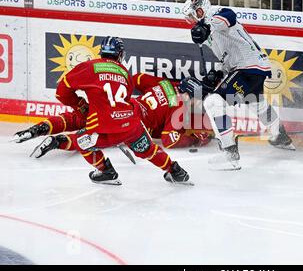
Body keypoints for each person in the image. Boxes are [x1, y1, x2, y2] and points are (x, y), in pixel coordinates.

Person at [20, 37, 190, 186]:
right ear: (120, 55)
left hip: (105, 124)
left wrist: (80, 105)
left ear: (101, 52)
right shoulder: (125, 73)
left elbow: (61, 92)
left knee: (82, 141)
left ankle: (106, 171)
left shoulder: (89, 67)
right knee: (148, 150)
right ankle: (176, 171)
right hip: (132, 123)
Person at [180, 0, 295, 171]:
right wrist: (217, 73)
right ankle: (281, 137)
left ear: (200, 10)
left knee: (214, 102)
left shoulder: (214, 14)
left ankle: (230, 154)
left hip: (248, 67)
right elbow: (226, 57)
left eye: (191, 16)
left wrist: (205, 25)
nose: (190, 21)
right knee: (258, 104)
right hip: (254, 68)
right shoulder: (209, 34)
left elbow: (229, 16)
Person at [13, 74, 211, 150]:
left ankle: (40, 128)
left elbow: (138, 78)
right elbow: (170, 140)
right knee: (93, 138)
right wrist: (195, 139)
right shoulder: (179, 105)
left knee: (80, 117)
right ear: (189, 96)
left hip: (122, 104)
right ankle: (60, 142)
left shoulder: (165, 84)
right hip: (130, 123)